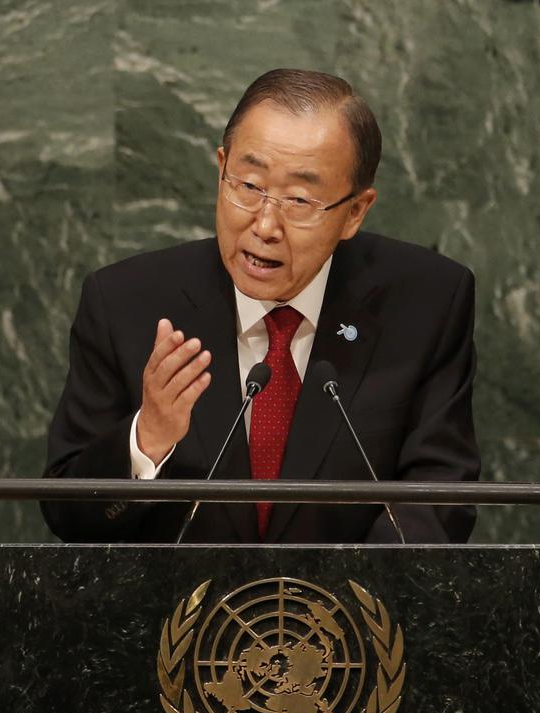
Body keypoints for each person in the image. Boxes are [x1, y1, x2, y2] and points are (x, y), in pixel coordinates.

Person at [42, 68, 479, 543]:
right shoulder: (126, 303)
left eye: (299, 199)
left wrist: (332, 608)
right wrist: (147, 439)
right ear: (221, 168)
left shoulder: (426, 304)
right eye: (248, 186)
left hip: (346, 613)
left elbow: (439, 500)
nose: (266, 225)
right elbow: (67, 515)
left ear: (355, 211)